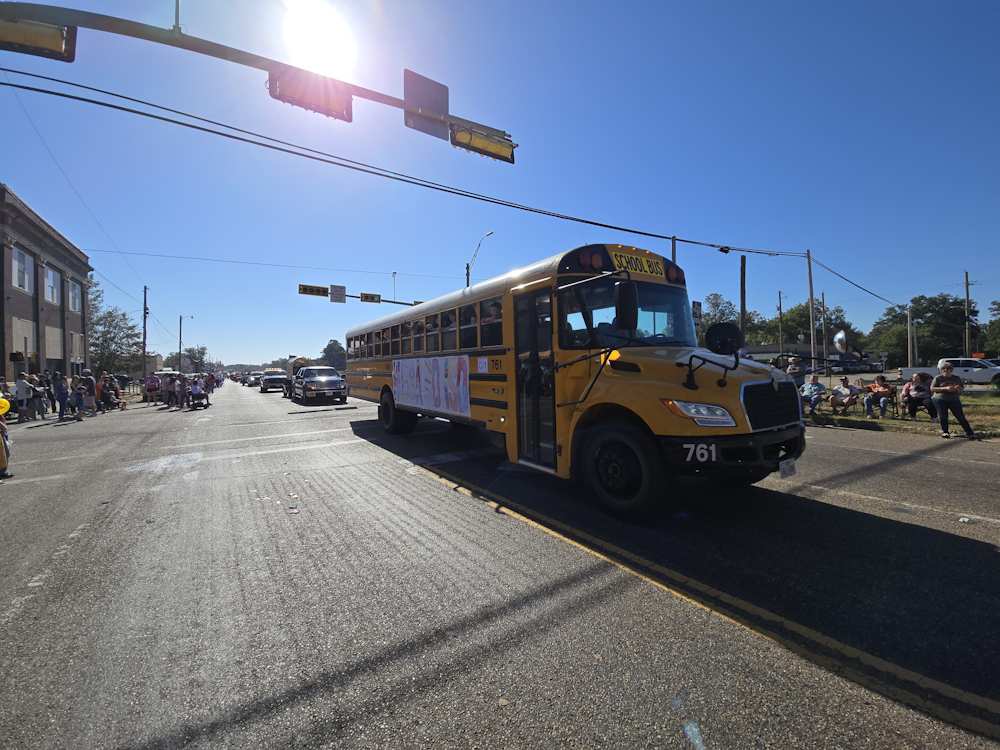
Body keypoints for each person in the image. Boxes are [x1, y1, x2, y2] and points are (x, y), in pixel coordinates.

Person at [931, 362, 975, 439]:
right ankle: (945, 432)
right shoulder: (938, 378)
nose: (946, 370)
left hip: (954, 399)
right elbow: (932, 388)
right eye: (943, 368)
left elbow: (961, 388)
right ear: (941, 370)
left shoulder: (956, 378)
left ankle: (969, 433)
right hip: (940, 399)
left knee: (960, 416)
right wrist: (945, 388)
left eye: (948, 368)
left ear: (951, 370)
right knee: (943, 416)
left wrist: (958, 388)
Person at [0, 404, 11, 479]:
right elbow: (4, 427)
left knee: (6, 453)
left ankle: (3, 471)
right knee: (4, 453)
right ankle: (2, 471)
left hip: (2, 434)